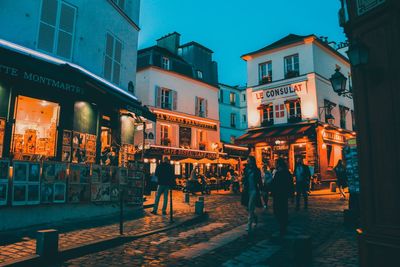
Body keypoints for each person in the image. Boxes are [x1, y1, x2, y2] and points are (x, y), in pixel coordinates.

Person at [270, 158, 294, 237]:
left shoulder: (280, 173)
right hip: (281, 195)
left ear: (278, 164)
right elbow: (291, 185)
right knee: (282, 210)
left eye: (275, 163)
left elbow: (274, 184)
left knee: (278, 211)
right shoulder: (285, 172)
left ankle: (283, 227)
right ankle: (283, 226)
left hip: (280, 195)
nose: (274, 164)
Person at [241, 156, 263, 231]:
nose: (247, 161)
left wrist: (262, 189)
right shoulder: (246, 170)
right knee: (248, 208)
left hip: (254, 190)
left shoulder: (256, 170)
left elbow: (259, 181)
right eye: (247, 160)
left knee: (250, 207)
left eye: (248, 160)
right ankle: (255, 217)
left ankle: (249, 225)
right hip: (247, 191)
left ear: (252, 161)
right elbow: (244, 179)